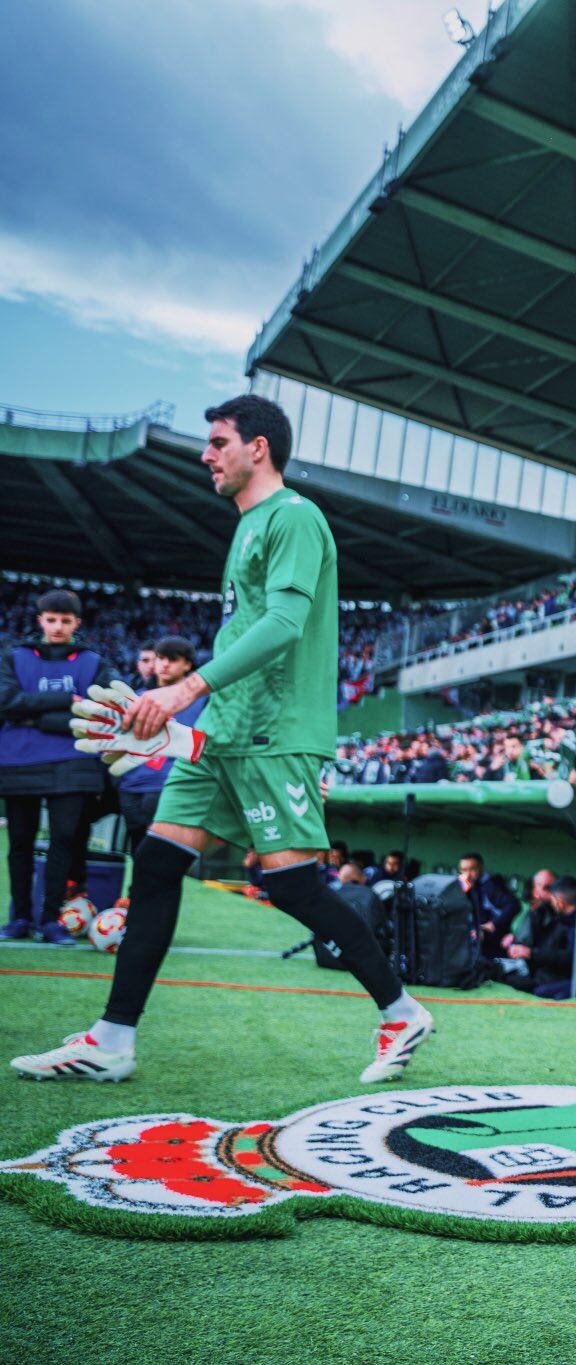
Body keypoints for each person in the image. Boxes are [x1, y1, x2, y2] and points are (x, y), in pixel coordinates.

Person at [12, 394, 433, 1085]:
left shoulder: (294, 517)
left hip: (275, 734)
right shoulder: (245, 528)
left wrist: (185, 687)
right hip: (223, 732)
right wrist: (186, 727)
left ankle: (400, 1009)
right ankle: (113, 1038)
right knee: (154, 863)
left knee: (294, 885)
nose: (206, 455)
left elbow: (285, 625)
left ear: (258, 446)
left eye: (217, 441)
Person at [0, 588, 116, 942]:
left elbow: (102, 712)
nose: (58, 627)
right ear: (40, 621)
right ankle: (19, 917)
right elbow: (7, 703)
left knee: (65, 839)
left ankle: (50, 920)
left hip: (75, 762)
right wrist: (68, 701)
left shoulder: (94, 662)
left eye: (65, 621)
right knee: (20, 840)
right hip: (18, 761)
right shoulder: (12, 657)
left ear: (76, 623)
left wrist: (33, 718)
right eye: (51, 620)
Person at [111, 636, 210, 854]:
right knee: (137, 851)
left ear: (188, 664)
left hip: (170, 784)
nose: (164, 665)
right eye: (161, 658)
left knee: (161, 855)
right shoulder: (136, 698)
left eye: (173, 660)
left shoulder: (202, 702)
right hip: (131, 785)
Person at [456, 850, 521, 956]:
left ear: (481, 869)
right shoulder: (465, 886)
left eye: (472, 869)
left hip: (495, 941)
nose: (468, 875)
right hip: (476, 938)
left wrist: (493, 925)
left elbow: (514, 905)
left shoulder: (492, 885)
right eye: (464, 870)